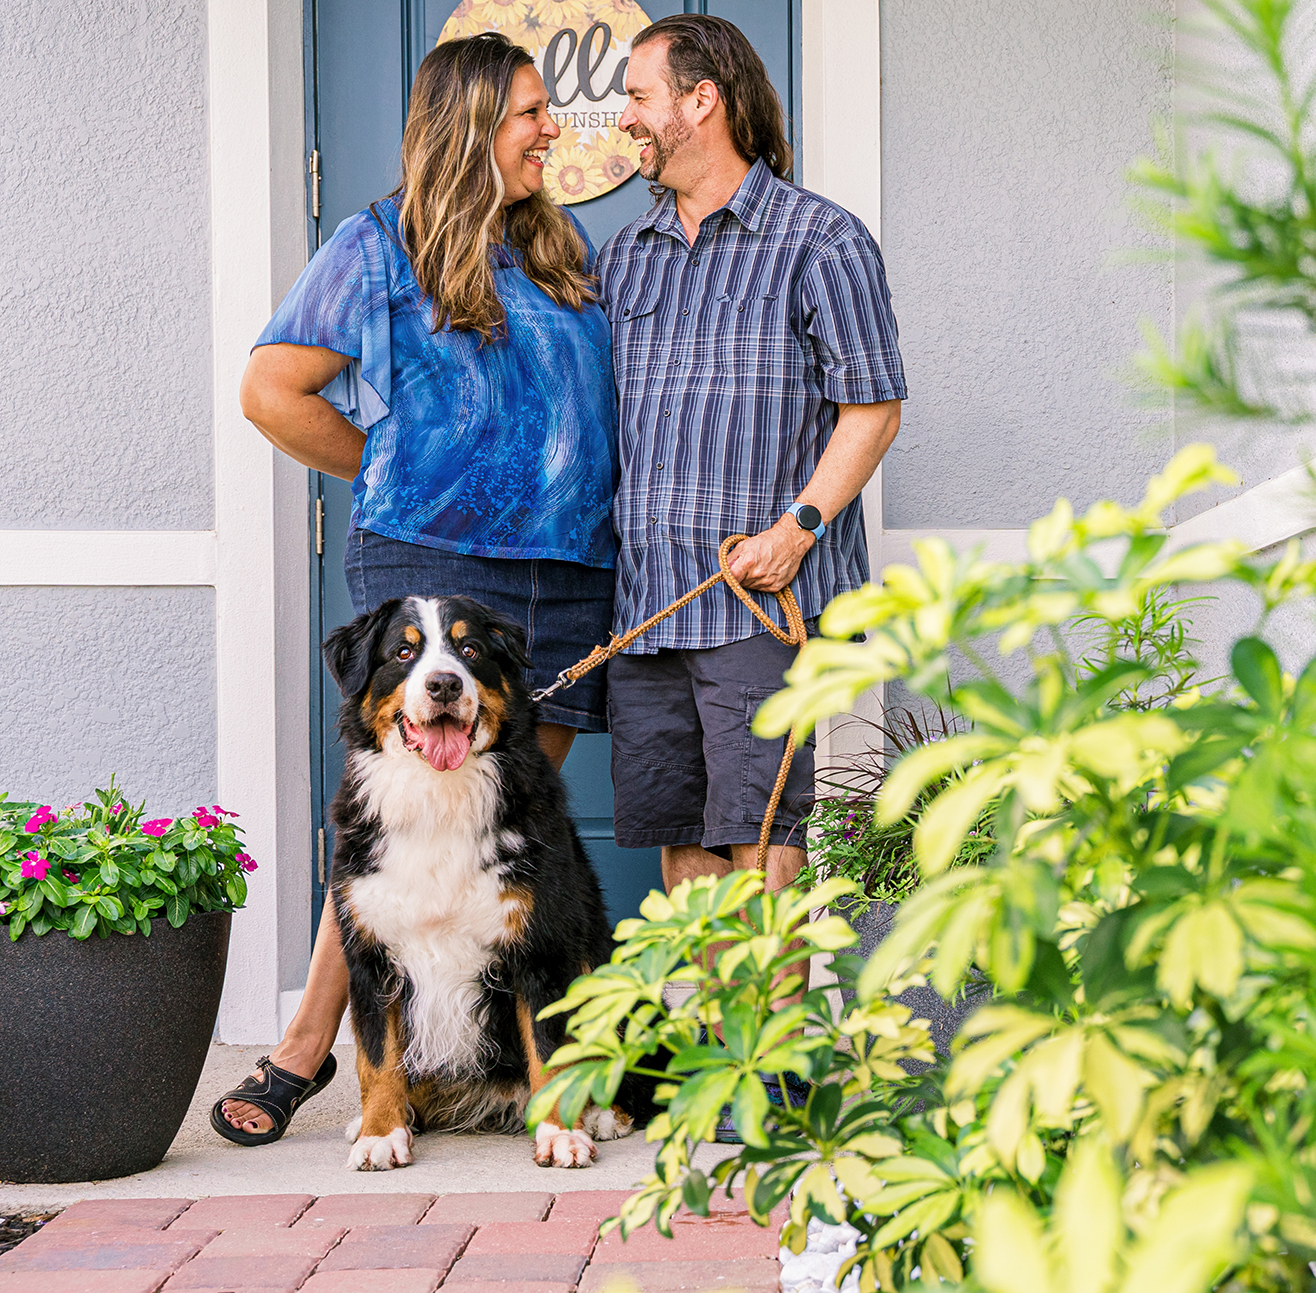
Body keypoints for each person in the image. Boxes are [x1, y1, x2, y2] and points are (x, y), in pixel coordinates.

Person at [214, 32, 621, 1145]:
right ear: (472, 121)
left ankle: (496, 1068)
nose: (552, 130)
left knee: (500, 843)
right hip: (430, 574)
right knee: (397, 841)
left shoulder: (559, 246)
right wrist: (389, 464)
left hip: (562, 577)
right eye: (533, 112)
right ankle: (306, 1054)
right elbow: (270, 388)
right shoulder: (373, 246)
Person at [599, 14, 904, 982]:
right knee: (681, 837)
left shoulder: (821, 240)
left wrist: (797, 529)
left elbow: (873, 407)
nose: (628, 118)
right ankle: (709, 1056)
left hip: (760, 602)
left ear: (701, 101)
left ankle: (768, 1088)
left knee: (763, 840)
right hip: (648, 603)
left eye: (641, 96)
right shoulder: (626, 253)